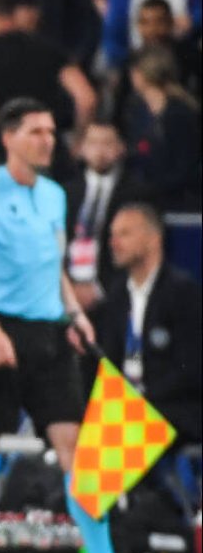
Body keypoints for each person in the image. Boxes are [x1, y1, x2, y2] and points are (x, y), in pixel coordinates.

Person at [0, 98, 156, 553]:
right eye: (36, 132)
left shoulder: (54, 195)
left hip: (52, 337)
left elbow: (54, 271)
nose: (48, 140)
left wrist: (74, 314)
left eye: (51, 132)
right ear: (9, 138)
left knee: (77, 448)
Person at [95, 203, 201, 444]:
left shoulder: (184, 293)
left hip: (175, 410)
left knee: (114, 443)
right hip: (126, 410)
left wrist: (142, 400)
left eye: (124, 234)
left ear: (153, 239)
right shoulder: (117, 294)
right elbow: (109, 360)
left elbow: (191, 369)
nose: (113, 243)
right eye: (112, 235)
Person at [0, 0, 95, 178]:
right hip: (52, 156)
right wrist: (77, 142)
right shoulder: (48, 48)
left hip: (4, 159)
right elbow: (87, 98)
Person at [64, 123, 148, 312]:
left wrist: (101, 289)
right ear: (81, 149)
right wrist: (68, 288)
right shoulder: (65, 193)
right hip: (65, 293)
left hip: (114, 295)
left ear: (121, 148)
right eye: (93, 143)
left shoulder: (137, 194)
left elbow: (140, 250)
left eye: (107, 143)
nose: (100, 151)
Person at [122, 45, 202, 211]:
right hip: (144, 193)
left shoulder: (180, 112)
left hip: (179, 196)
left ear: (143, 73)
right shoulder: (136, 109)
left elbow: (186, 164)